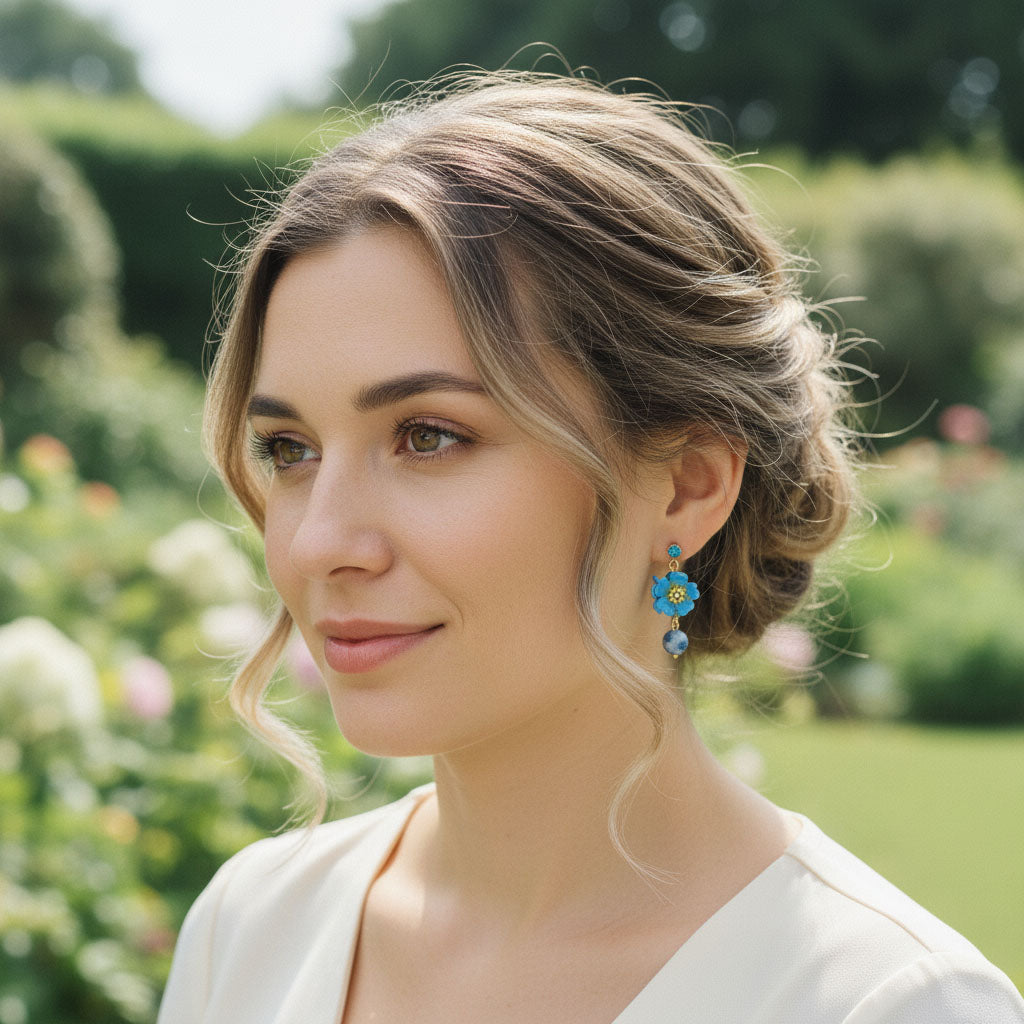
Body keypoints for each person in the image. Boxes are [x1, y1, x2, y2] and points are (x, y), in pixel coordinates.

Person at [156, 72, 1024, 1023]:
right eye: (289, 450)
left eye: (429, 436)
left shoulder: (890, 1004)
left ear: (689, 484)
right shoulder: (249, 932)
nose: (319, 540)